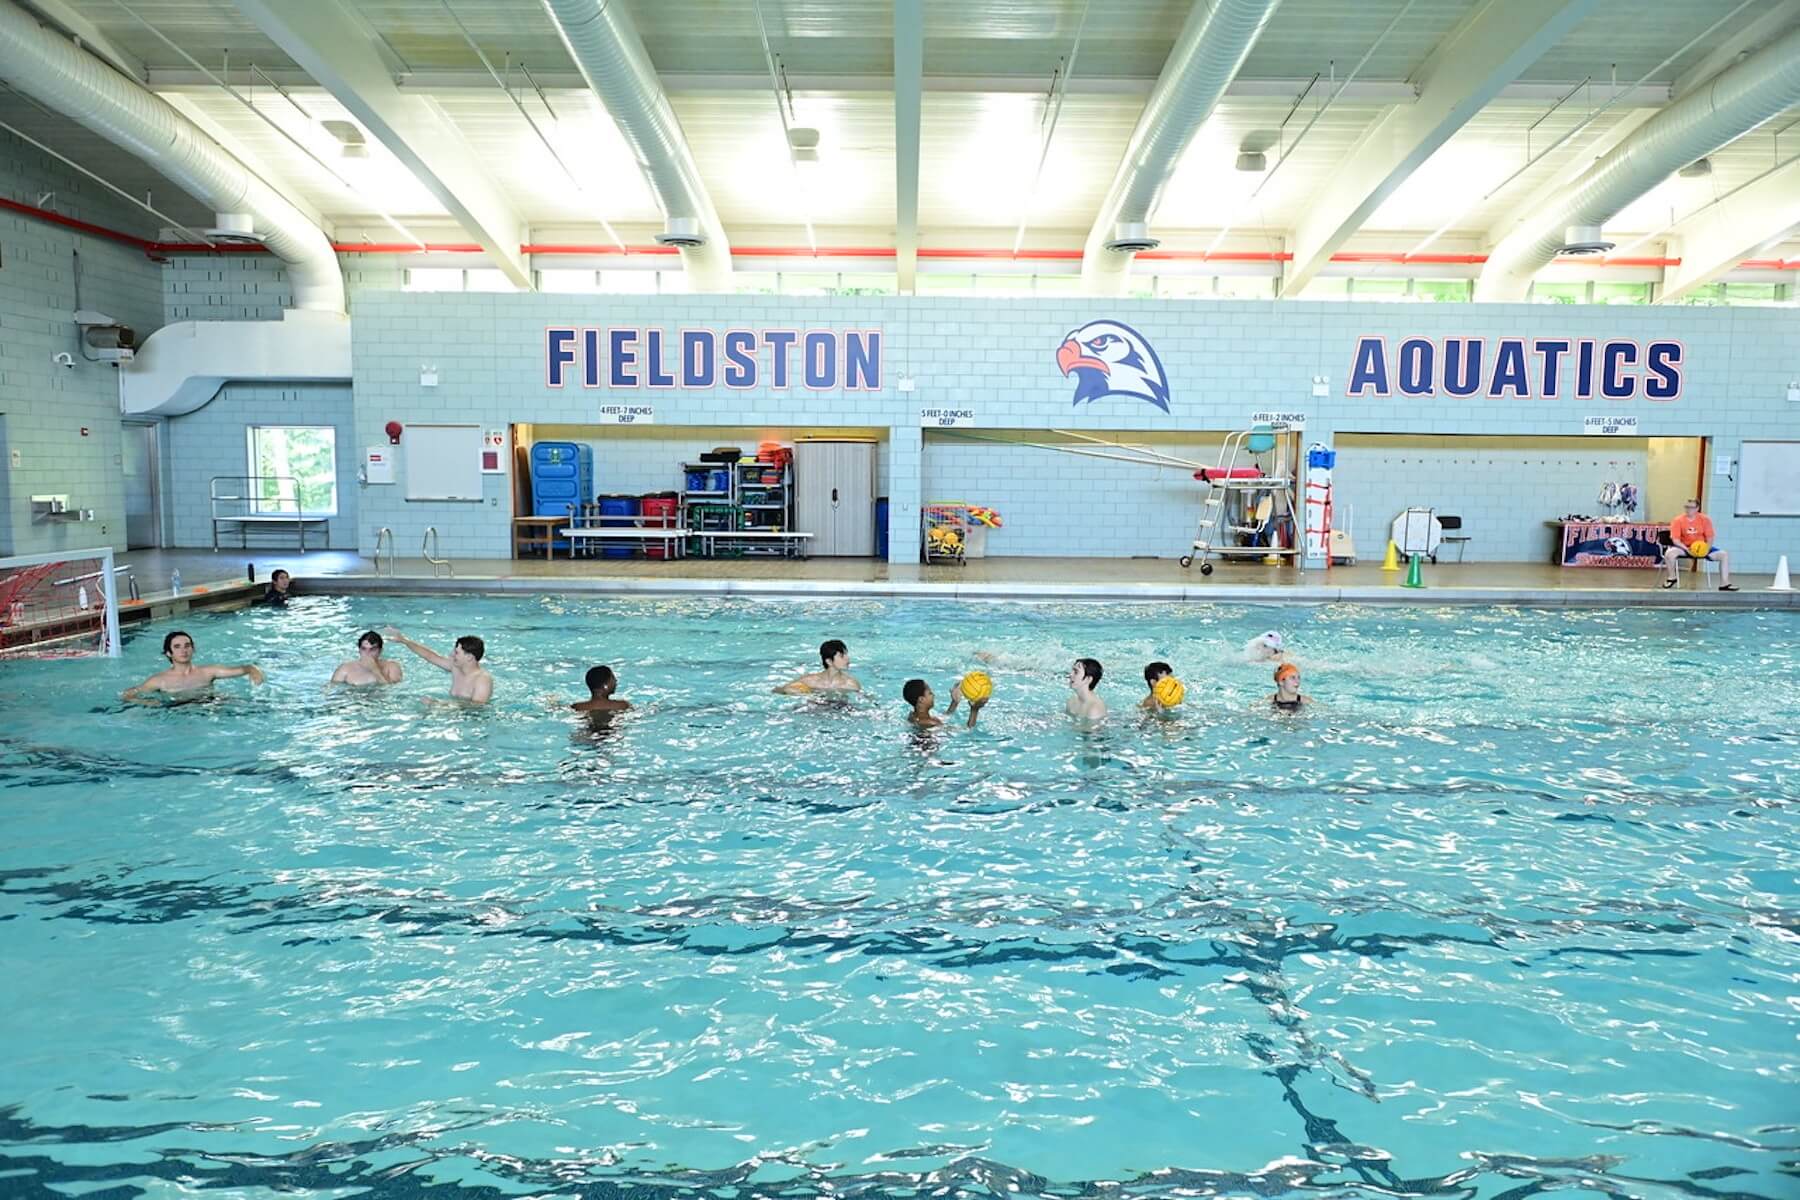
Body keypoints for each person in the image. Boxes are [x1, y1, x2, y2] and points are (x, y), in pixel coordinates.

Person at [122, 630, 264, 701]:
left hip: (209, 706)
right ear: (168, 653)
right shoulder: (159, 680)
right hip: (176, 714)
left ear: (193, 649)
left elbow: (243, 669)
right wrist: (149, 704)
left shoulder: (208, 672)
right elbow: (127, 695)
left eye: (187, 646)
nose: (183, 650)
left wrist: (253, 670)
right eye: (177, 647)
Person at [383, 628, 493, 703]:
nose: (451, 655)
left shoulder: (482, 680)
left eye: (456, 652)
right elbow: (429, 656)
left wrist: (441, 705)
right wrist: (404, 641)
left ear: (469, 657)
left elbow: (478, 707)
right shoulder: (456, 667)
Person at [1662, 499, 1736, 590]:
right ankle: (1672, 578)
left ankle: (1724, 584)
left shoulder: (1705, 519)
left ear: (1697, 508)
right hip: (1685, 547)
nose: (1688, 509)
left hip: (1702, 548)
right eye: (1686, 507)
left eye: (1691, 507)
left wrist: (1706, 549)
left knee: (1724, 555)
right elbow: (1676, 540)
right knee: (1669, 553)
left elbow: (1710, 538)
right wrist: (1686, 549)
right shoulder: (1678, 520)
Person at [775, 638, 861, 694]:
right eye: (842, 656)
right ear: (829, 661)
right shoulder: (809, 681)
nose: (848, 659)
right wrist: (796, 691)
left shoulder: (851, 684)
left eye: (846, 655)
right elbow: (778, 690)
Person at [903, 677, 986, 729]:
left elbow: (945, 717)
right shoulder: (931, 723)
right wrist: (974, 710)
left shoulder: (913, 716)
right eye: (930, 693)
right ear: (921, 699)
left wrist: (954, 702)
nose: (933, 695)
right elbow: (968, 729)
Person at [328, 630, 403, 687]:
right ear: (359, 650)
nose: (367, 653)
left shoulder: (392, 667)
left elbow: (393, 693)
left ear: (380, 651)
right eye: (364, 649)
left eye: (372, 649)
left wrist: (375, 670)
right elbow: (331, 691)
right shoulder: (345, 669)